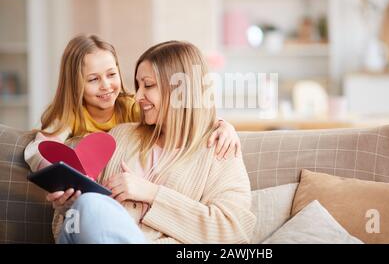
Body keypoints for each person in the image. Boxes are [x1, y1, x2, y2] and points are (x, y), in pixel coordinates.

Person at [49, 41, 256, 243]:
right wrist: (68, 206)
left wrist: (151, 193)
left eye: (148, 85)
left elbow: (233, 231)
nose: (138, 96)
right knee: (88, 204)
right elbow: (71, 227)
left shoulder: (220, 149)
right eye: (138, 85)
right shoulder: (120, 137)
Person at [24, 35, 241, 172]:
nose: (106, 85)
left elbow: (183, 117)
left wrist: (223, 125)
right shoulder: (68, 115)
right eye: (93, 79)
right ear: (74, 84)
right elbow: (40, 150)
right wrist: (58, 170)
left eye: (111, 74)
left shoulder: (133, 106)